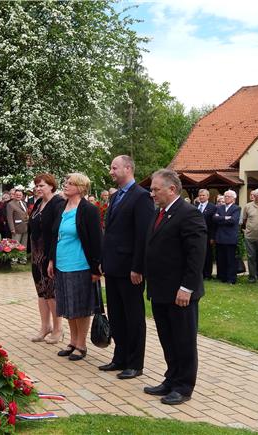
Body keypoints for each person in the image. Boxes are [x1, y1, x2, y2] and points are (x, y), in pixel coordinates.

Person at [144, 169, 206, 405]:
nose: (152, 194)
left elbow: (196, 255)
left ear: (172, 189)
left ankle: (183, 386)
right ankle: (171, 378)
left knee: (183, 339)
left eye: (155, 189)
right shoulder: (159, 213)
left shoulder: (188, 214)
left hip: (180, 292)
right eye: (151, 189)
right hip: (160, 289)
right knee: (167, 338)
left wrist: (187, 288)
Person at [99, 155, 154, 379]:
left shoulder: (141, 197)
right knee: (117, 314)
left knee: (133, 317)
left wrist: (138, 267)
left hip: (130, 269)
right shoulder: (117, 196)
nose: (111, 171)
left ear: (128, 168)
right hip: (113, 266)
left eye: (114, 167)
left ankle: (135, 362)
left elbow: (143, 235)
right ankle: (119, 357)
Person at [47, 173, 102, 361]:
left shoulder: (89, 210)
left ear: (80, 188)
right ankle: (72, 341)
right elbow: (55, 236)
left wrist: (96, 269)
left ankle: (81, 344)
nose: (66, 185)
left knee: (81, 306)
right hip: (62, 264)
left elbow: (96, 241)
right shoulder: (62, 207)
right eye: (66, 182)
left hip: (80, 265)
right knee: (67, 306)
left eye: (70, 183)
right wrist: (51, 261)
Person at [29, 174, 65, 344]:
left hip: (49, 253)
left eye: (41, 185)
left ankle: (58, 329)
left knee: (51, 293)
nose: (38, 188)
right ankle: (45, 326)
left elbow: (56, 232)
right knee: (41, 292)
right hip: (36, 254)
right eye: (36, 186)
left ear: (51, 186)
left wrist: (52, 258)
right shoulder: (37, 203)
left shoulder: (57, 203)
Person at [213, 190, 241, 284]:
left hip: (230, 238)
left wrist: (221, 218)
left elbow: (233, 220)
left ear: (233, 198)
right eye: (225, 196)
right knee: (221, 259)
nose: (226, 198)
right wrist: (225, 217)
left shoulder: (236, 208)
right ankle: (222, 277)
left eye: (228, 196)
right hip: (220, 237)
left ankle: (231, 278)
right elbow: (215, 219)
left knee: (231, 259)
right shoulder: (220, 207)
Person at [196, 188, 217, 279]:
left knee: (207, 255)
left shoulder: (212, 207)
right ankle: (198, 273)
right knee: (197, 254)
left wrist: (212, 237)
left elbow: (214, 224)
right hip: (196, 235)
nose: (201, 197)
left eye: (203, 195)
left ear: (208, 196)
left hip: (207, 235)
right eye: (200, 195)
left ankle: (207, 274)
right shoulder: (195, 206)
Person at [7, 188, 29, 262]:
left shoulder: (24, 203)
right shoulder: (10, 204)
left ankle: (23, 259)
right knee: (15, 244)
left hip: (25, 227)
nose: (18, 196)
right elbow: (9, 218)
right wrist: (12, 229)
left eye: (20, 195)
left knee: (23, 245)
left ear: (22, 196)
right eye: (17, 195)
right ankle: (14, 259)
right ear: (14, 195)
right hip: (16, 228)